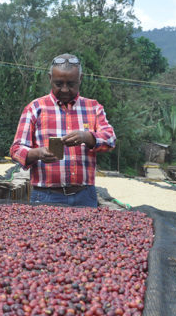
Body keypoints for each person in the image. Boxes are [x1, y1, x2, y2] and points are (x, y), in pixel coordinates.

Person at [10, 53, 117, 207]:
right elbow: (16, 150)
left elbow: (111, 139)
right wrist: (38, 153)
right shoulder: (35, 108)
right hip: (46, 195)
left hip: (85, 195)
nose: (65, 89)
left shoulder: (93, 107)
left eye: (71, 84)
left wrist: (87, 137)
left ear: (80, 79)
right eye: (59, 84)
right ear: (50, 78)